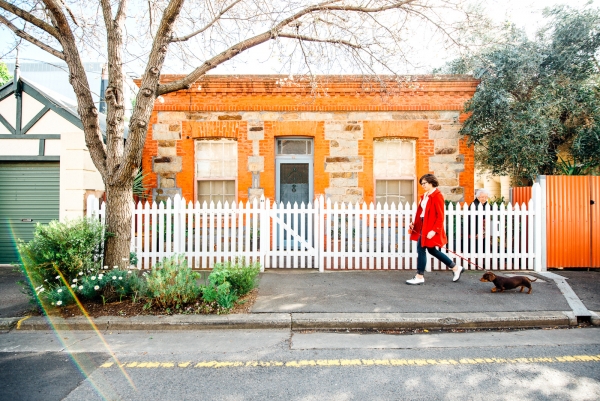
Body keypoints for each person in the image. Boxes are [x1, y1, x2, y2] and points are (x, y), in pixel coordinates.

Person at [406, 174, 463, 285]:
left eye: (425, 183)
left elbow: (440, 216)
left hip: (430, 227)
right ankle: (455, 267)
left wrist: (434, 230)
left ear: (431, 182)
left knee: (421, 248)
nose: (423, 185)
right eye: (421, 183)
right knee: (432, 250)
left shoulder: (437, 195)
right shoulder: (425, 196)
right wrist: (415, 224)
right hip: (423, 225)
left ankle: (419, 276)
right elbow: (421, 213)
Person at [469, 189, 490, 253]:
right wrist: (476, 231)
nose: (484, 199)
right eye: (482, 197)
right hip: (475, 228)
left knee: (482, 245)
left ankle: (481, 260)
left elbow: (492, 208)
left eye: (486, 197)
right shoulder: (474, 205)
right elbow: (472, 221)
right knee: (475, 246)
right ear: (478, 197)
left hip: (482, 228)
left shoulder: (485, 204)